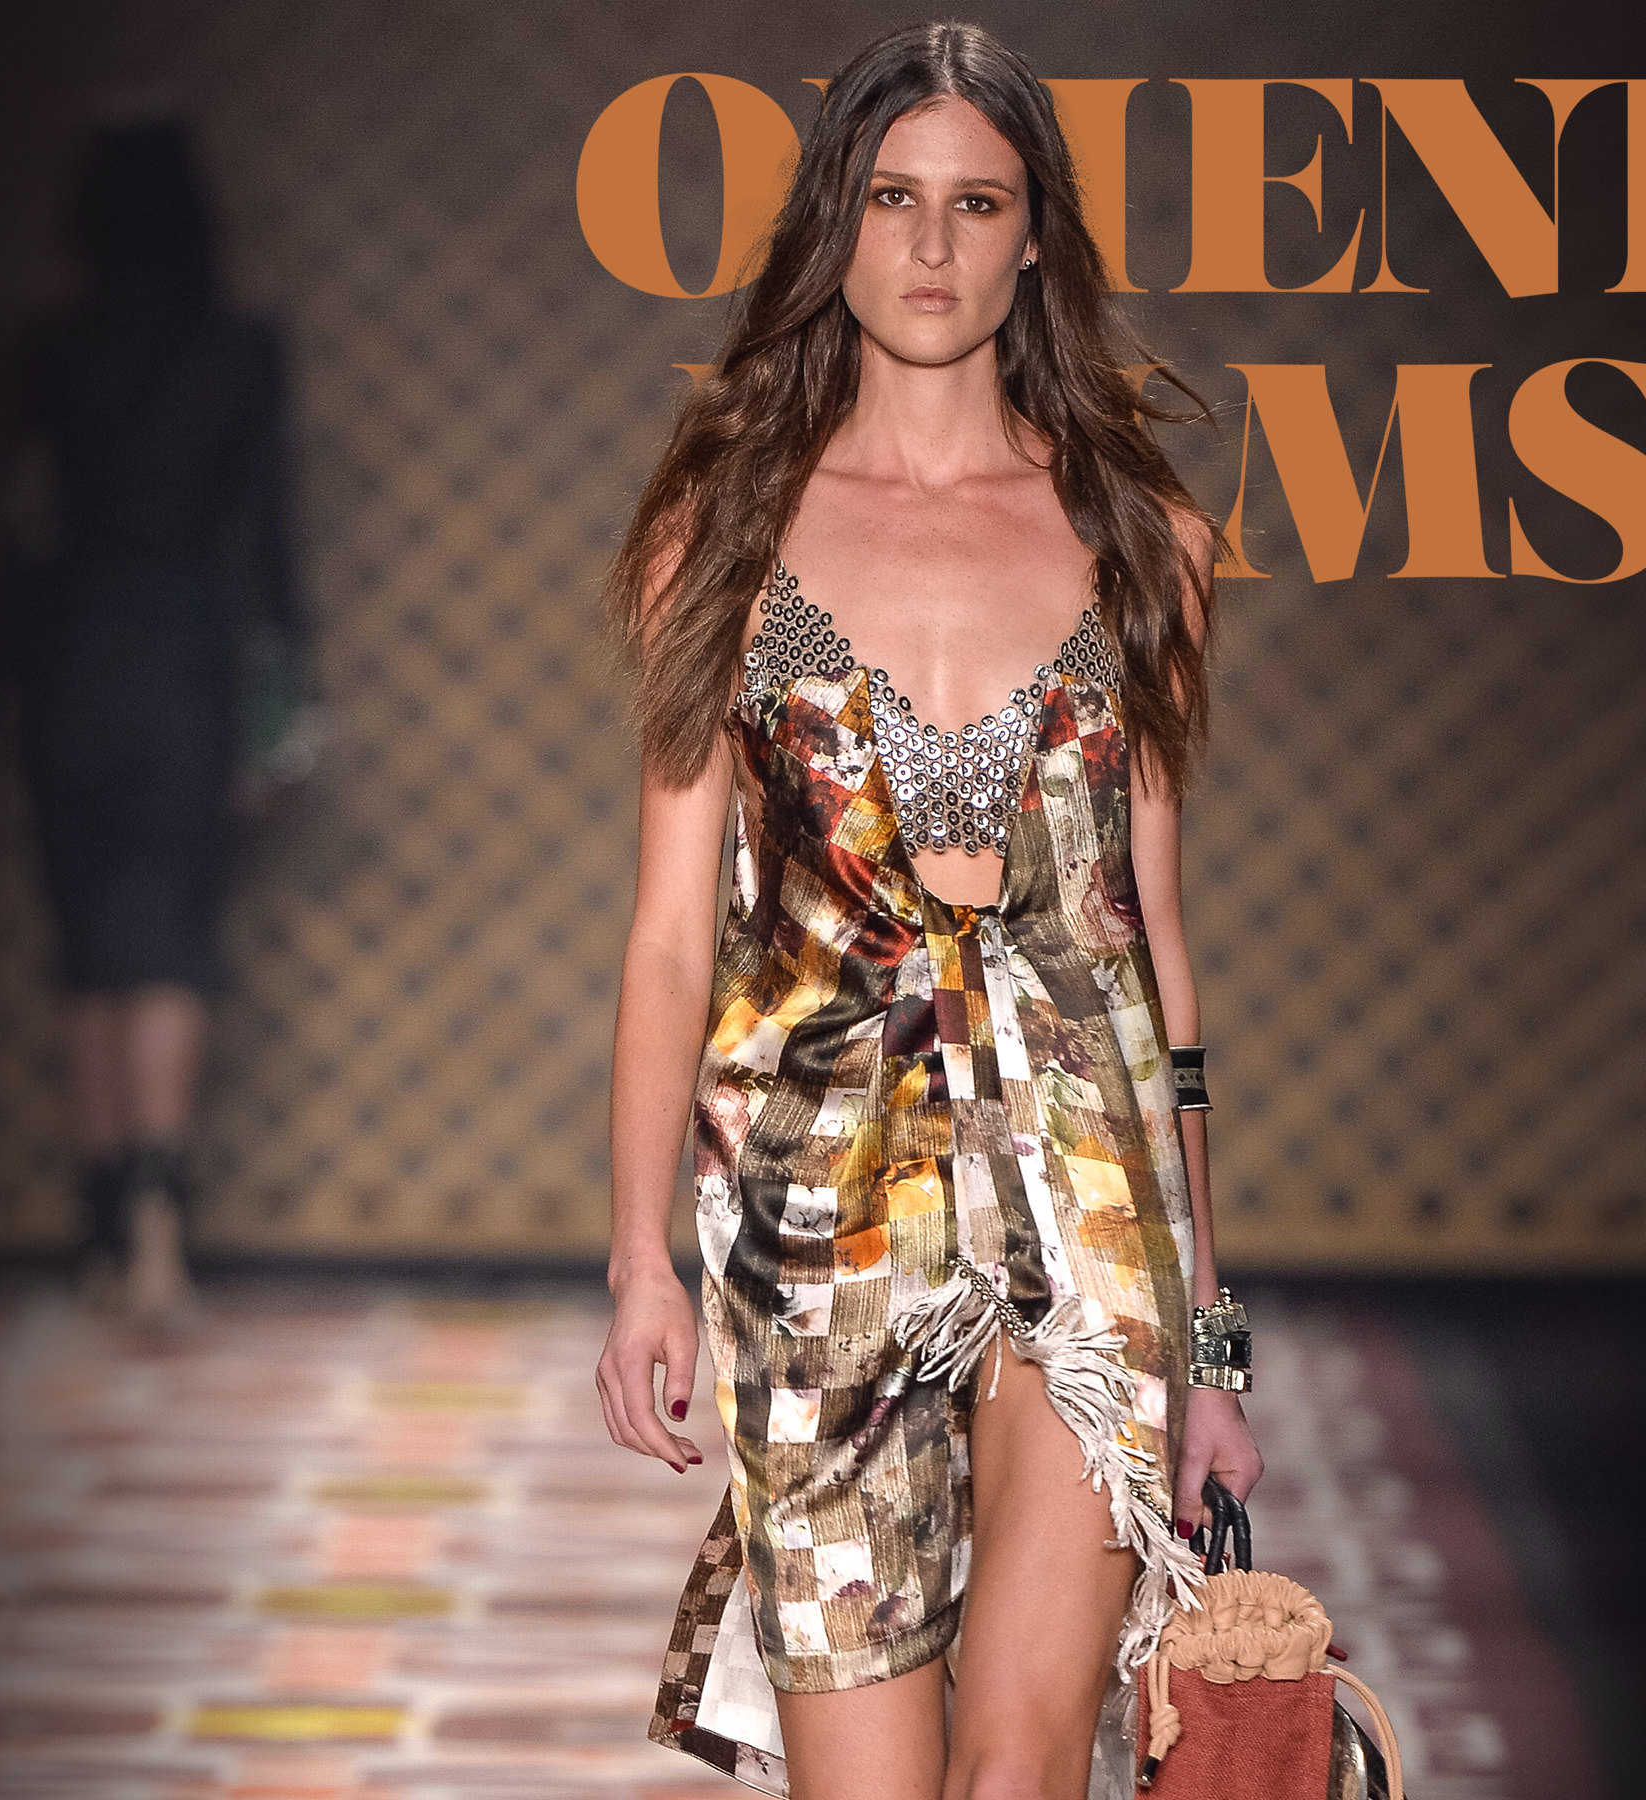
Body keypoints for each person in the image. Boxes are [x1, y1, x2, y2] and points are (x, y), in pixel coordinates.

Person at [593, 23, 1263, 1800]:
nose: (933, 245)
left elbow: (1152, 947)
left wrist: (1211, 1343)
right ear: (837, 223)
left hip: (1092, 1204)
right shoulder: (719, 536)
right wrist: (640, 1259)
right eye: (893, 199)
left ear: (1035, 237)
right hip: (814, 1212)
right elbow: (670, 933)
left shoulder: (1143, 540)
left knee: (1021, 1766)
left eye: (978, 203)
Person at [2, 115, 300, 1323]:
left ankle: (99, 1225)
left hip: (71, 657)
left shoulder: (49, 350)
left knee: (90, 946)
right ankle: (159, 1224)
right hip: (190, 656)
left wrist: (2, 670)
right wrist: (282, 708)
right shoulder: (240, 350)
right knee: (172, 935)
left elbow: (7, 525)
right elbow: (269, 539)